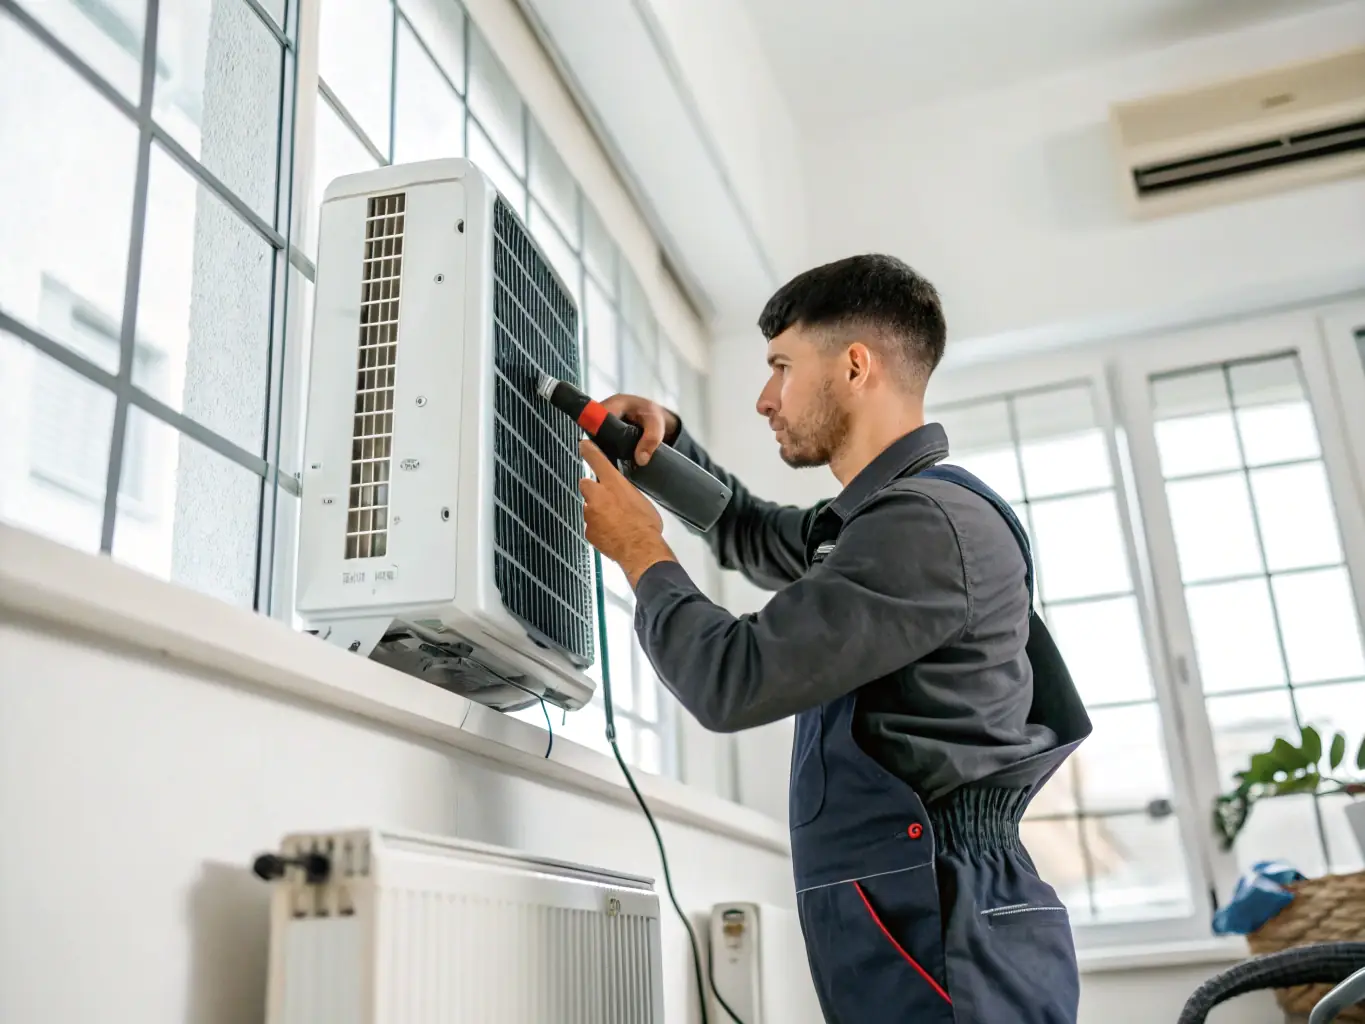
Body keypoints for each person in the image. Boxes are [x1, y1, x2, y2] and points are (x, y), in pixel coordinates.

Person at [576, 254, 1092, 1023]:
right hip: (914, 901)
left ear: (855, 366)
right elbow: (748, 531)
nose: (762, 398)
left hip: (944, 917)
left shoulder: (922, 527)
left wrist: (640, 551)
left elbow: (733, 679)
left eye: (781, 366)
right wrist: (664, 444)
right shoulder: (879, 520)